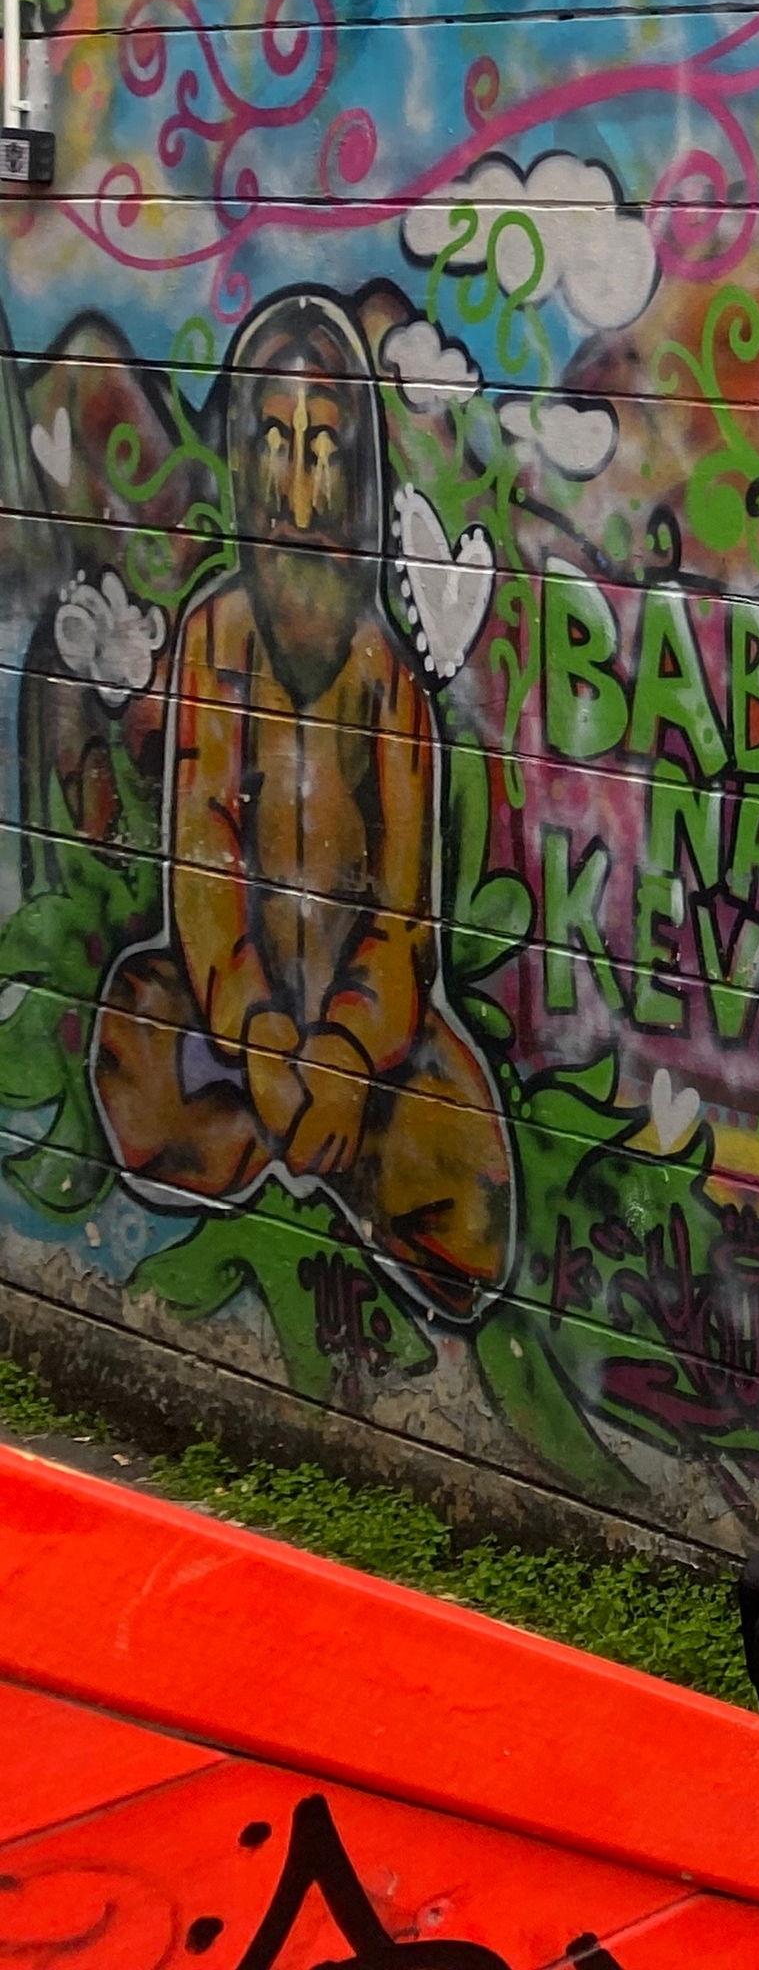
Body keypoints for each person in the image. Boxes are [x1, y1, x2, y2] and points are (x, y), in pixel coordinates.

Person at [92, 289, 517, 1317]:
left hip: (364, 1041)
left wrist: (342, 1048)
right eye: (276, 446)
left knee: (479, 1199)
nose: (297, 485)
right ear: (245, 461)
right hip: (229, 1022)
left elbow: (406, 913)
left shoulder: (384, 666)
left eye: (323, 452)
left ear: (357, 474)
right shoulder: (215, 632)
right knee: (126, 1054)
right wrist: (260, 1033)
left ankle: (308, 1135)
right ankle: (309, 1142)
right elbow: (200, 857)